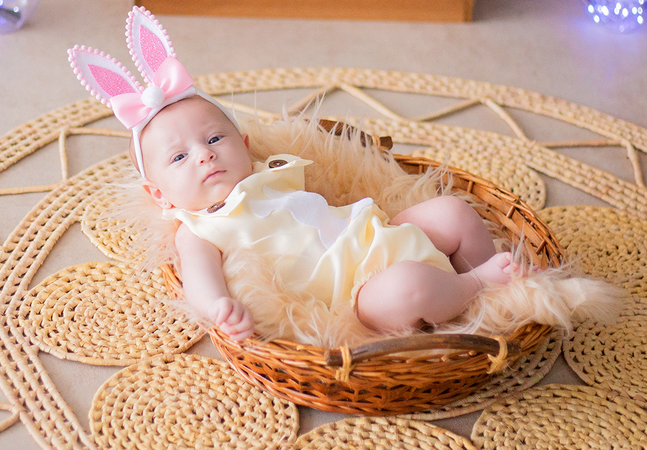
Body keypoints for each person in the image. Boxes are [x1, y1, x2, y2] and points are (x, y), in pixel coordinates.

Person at [135, 94, 515, 340]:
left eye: (215, 138)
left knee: (452, 211)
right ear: (159, 195)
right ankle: (477, 283)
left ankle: (505, 293)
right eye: (179, 157)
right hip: (358, 294)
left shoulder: (266, 171)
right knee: (409, 286)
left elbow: (336, 178)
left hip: (380, 232)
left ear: (245, 147)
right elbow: (199, 276)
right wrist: (218, 305)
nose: (204, 154)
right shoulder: (198, 228)